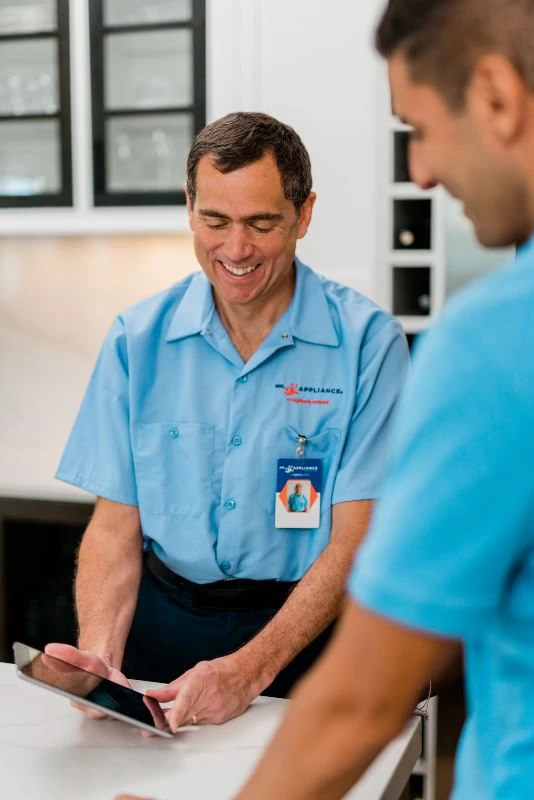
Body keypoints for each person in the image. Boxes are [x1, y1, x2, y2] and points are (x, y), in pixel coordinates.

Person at [223, 1, 534, 798]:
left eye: (420, 129)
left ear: (497, 96)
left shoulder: (495, 341)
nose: (422, 172)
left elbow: (360, 701)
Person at [48, 111, 408, 736]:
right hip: (161, 633)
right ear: (189, 207)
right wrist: (101, 656)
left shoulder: (369, 345)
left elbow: (357, 539)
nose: (235, 249)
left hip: (303, 643)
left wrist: (247, 671)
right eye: (215, 220)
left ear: (304, 214)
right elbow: (115, 525)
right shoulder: (139, 340)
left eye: (261, 223)